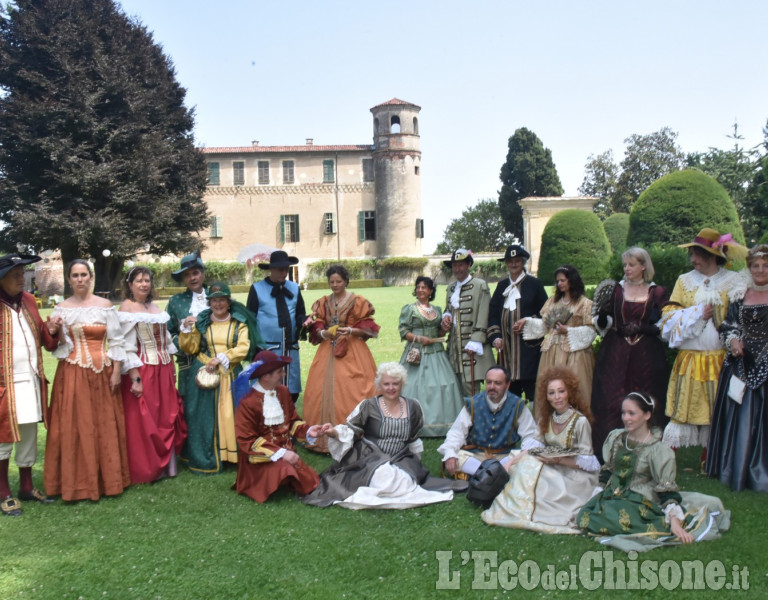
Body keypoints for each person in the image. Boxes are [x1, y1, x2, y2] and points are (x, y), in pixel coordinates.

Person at [578, 392, 729, 552]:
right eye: (623, 413)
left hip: (638, 498)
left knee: (622, 520)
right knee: (586, 516)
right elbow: (608, 471)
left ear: (647, 415)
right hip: (612, 495)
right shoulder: (616, 438)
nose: (625, 418)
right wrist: (598, 492)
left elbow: (666, 487)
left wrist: (675, 522)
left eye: (631, 413)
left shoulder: (657, 450)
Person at [303, 362, 456, 509]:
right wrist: (333, 432)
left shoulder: (413, 407)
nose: (391, 388)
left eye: (395, 384)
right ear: (379, 386)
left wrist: (417, 465)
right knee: (384, 477)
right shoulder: (369, 406)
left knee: (406, 480)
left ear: (402, 384)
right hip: (371, 456)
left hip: (401, 457)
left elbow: (414, 439)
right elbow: (351, 430)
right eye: (386, 384)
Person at [44, 259, 131, 501]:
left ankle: (108, 481)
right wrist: (56, 331)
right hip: (72, 372)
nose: (80, 279)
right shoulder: (62, 308)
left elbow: (116, 341)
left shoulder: (104, 306)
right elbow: (62, 346)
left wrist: (116, 371)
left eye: (84, 274)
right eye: (75, 275)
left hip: (103, 372)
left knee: (102, 424)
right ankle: (76, 483)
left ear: (90, 278)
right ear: (69, 279)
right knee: (74, 425)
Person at [659, 229, 746, 462]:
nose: (693, 259)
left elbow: (740, 317)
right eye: (693, 254)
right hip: (690, 355)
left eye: (697, 254)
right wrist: (697, 313)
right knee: (682, 405)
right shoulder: (684, 281)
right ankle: (668, 457)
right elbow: (668, 314)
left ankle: (711, 457)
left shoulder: (733, 281)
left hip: (719, 356)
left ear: (712, 255)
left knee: (715, 406)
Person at [482, 367, 599, 534]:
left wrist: (558, 460)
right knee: (523, 461)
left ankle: (531, 511)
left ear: (569, 393)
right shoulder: (546, 419)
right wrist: (510, 463)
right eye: (551, 393)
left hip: (574, 474)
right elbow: (534, 448)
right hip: (551, 466)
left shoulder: (580, 422)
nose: (556, 397)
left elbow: (588, 463)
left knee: (532, 469)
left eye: (561, 391)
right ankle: (517, 510)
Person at [591, 247, 669, 453]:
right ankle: (609, 449)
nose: (627, 268)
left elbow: (665, 323)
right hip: (615, 353)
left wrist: (642, 327)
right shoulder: (616, 290)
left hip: (646, 355)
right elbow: (605, 321)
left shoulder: (657, 292)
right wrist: (601, 317)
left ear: (643, 266)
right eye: (625, 264)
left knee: (646, 399)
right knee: (610, 398)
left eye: (631, 265)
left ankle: (647, 449)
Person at [0, 253, 61, 516]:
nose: (21, 279)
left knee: (28, 434)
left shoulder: (27, 300)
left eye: (22, 273)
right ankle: (4, 493)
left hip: (31, 380)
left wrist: (53, 330)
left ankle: (26, 486)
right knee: (3, 439)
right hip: (4, 385)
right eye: (15, 274)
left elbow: (46, 341)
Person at [178, 282, 261, 473]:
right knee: (203, 416)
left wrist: (223, 358)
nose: (218, 304)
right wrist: (186, 330)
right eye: (214, 300)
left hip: (230, 373)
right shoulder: (202, 322)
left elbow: (243, 347)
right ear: (209, 303)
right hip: (206, 373)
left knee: (232, 413)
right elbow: (190, 348)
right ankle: (207, 454)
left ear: (228, 302)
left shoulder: (239, 323)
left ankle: (231, 454)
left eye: (222, 300)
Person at [707, 245, 768, 492]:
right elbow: (729, 325)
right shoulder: (739, 294)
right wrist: (733, 341)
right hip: (740, 361)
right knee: (739, 413)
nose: (761, 270)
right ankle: (735, 467)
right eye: (756, 266)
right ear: (749, 267)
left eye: (765, 266)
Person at [118, 266, 187, 484]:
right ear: (130, 284)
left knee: (165, 415)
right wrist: (135, 378)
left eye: (147, 280)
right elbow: (126, 347)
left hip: (163, 369)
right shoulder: (127, 309)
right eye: (138, 280)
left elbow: (166, 342)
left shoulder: (154, 307)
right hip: (144, 369)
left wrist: (172, 370)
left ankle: (166, 465)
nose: (144, 284)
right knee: (145, 418)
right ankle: (146, 468)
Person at [302, 265, 379, 452]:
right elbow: (317, 325)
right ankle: (323, 438)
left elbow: (369, 328)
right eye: (332, 282)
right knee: (319, 389)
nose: (335, 285)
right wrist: (323, 333)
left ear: (346, 281)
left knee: (354, 388)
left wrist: (351, 330)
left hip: (352, 349)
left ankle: (354, 436)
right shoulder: (323, 302)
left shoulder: (357, 301)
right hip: (328, 349)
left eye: (338, 281)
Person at [232, 351, 321, 503]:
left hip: (288, 453)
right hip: (259, 458)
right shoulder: (247, 402)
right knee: (286, 470)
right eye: (279, 371)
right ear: (266, 376)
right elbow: (247, 440)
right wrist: (281, 453)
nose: (284, 373)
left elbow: (292, 422)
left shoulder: (283, 392)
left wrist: (308, 431)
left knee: (311, 480)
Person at [438, 365, 537, 479]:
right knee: (457, 457)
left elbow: (530, 436)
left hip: (505, 456)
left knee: (525, 458)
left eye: (497, 383)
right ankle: (496, 474)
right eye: (489, 382)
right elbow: (457, 433)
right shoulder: (474, 404)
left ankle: (481, 475)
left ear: (507, 385)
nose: (492, 387)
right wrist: (450, 453)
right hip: (476, 455)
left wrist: (522, 456)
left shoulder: (518, 405)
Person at [520, 265, 596, 414]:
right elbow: (545, 325)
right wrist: (527, 321)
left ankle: (577, 425)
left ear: (571, 280)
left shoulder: (584, 303)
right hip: (552, 352)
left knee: (574, 388)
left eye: (563, 280)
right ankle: (547, 425)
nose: (559, 284)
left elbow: (591, 331)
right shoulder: (552, 302)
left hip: (575, 353)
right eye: (557, 281)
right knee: (550, 386)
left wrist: (568, 330)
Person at [398, 276, 464, 436]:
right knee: (413, 385)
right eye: (418, 287)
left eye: (424, 287)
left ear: (431, 291)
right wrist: (420, 339)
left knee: (443, 383)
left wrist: (444, 329)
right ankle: (412, 423)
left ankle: (442, 423)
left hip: (436, 351)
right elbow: (404, 331)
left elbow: (439, 332)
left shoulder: (437, 310)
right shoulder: (410, 309)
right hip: (416, 353)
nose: (420, 290)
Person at [488, 245, 548, 402]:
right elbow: (493, 314)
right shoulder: (502, 286)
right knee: (509, 398)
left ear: (523, 262)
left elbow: (546, 315)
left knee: (534, 396)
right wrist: (496, 338)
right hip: (507, 352)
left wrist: (528, 321)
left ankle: (535, 425)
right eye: (510, 261)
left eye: (517, 261)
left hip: (529, 352)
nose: (513, 264)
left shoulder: (535, 284)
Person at [247, 251, 307, 402]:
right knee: (265, 393)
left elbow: (300, 314)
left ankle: (288, 423)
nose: (284, 272)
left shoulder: (294, 288)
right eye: (280, 269)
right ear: (271, 269)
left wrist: (305, 322)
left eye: (286, 269)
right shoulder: (257, 289)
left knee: (291, 392)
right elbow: (250, 321)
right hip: (267, 351)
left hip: (291, 351)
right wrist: (255, 349)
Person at [442, 248, 495, 397]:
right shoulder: (451, 287)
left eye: (461, 265)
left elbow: (484, 313)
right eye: (454, 265)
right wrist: (446, 316)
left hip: (472, 349)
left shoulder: (480, 285)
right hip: (454, 349)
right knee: (456, 394)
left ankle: (473, 419)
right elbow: (449, 308)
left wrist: (477, 339)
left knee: (471, 393)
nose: (457, 269)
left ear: (468, 265)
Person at [166, 251, 208, 415]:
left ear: (203, 273)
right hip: (188, 365)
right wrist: (185, 338)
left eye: (196, 273)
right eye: (187, 275)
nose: (192, 278)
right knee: (190, 410)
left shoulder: (217, 296)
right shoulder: (176, 302)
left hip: (217, 362)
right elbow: (167, 334)